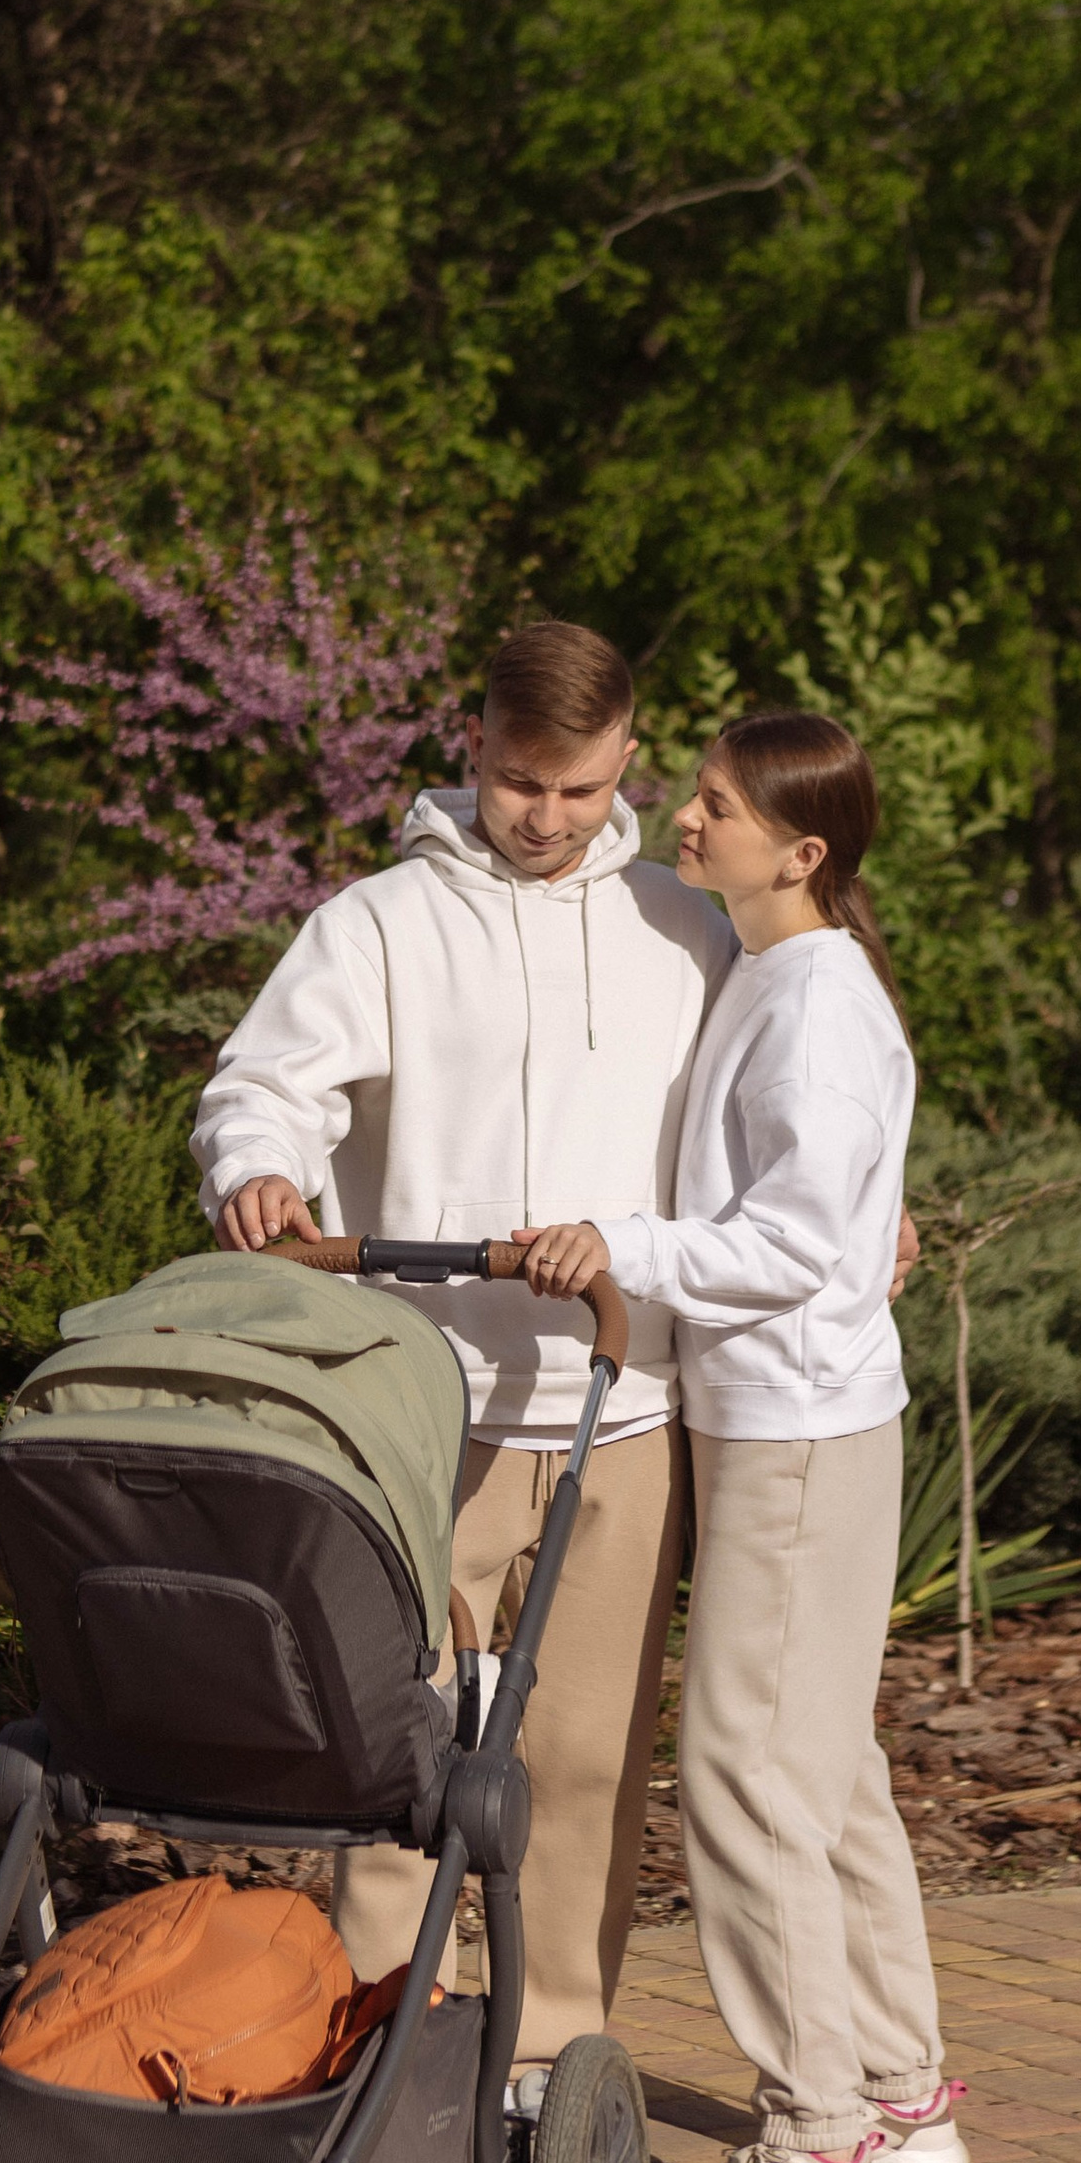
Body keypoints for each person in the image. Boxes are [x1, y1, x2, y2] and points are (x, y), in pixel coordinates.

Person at [194, 619, 738, 2075]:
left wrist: (866, 1217)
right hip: (424, 1415)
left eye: (573, 789)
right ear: (474, 749)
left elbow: (782, 1116)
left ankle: (552, 2065)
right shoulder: (377, 923)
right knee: (397, 1754)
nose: (545, 818)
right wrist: (257, 1166)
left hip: (615, 1414)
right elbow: (262, 1084)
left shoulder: (685, 929)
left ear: (627, 758)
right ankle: (385, 2051)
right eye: (515, 785)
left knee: (580, 1762)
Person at [517, 710, 965, 2163]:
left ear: (803, 849)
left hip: (794, 1438)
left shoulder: (816, 1007)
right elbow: (831, 1212)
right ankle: (900, 2096)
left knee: (742, 1782)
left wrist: (614, 1246)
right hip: (802, 1422)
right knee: (823, 1768)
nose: (679, 819)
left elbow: (785, 1243)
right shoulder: (781, 975)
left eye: (709, 805)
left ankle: (817, 2144)